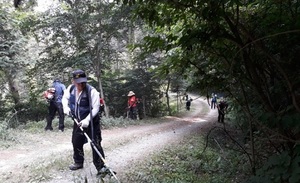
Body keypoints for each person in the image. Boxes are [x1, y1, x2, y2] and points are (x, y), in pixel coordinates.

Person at [62, 69, 107, 175]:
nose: (81, 84)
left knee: (95, 143)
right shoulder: (71, 88)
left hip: (91, 122)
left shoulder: (92, 91)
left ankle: (101, 167)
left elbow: (95, 108)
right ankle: (78, 162)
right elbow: (65, 98)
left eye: (83, 81)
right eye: (78, 82)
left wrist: (87, 120)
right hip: (77, 121)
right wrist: (65, 107)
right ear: (73, 81)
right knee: (76, 141)